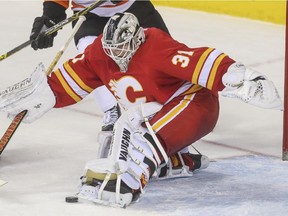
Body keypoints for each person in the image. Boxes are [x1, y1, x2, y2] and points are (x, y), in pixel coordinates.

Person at [0, 13, 282, 207]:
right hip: (157, 109)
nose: (117, 56)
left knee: (143, 139)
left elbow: (200, 59)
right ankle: (178, 162)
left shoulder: (156, 45)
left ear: (136, 39)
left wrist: (240, 78)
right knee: (126, 128)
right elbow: (69, 81)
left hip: (196, 103)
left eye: (123, 48)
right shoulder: (101, 53)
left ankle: (128, 184)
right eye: (112, 49)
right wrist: (43, 94)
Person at [30, 0, 170, 131]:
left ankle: (176, 102)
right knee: (91, 55)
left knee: (163, 53)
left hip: (133, 7)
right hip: (91, 15)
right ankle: (111, 111)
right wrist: (49, 18)